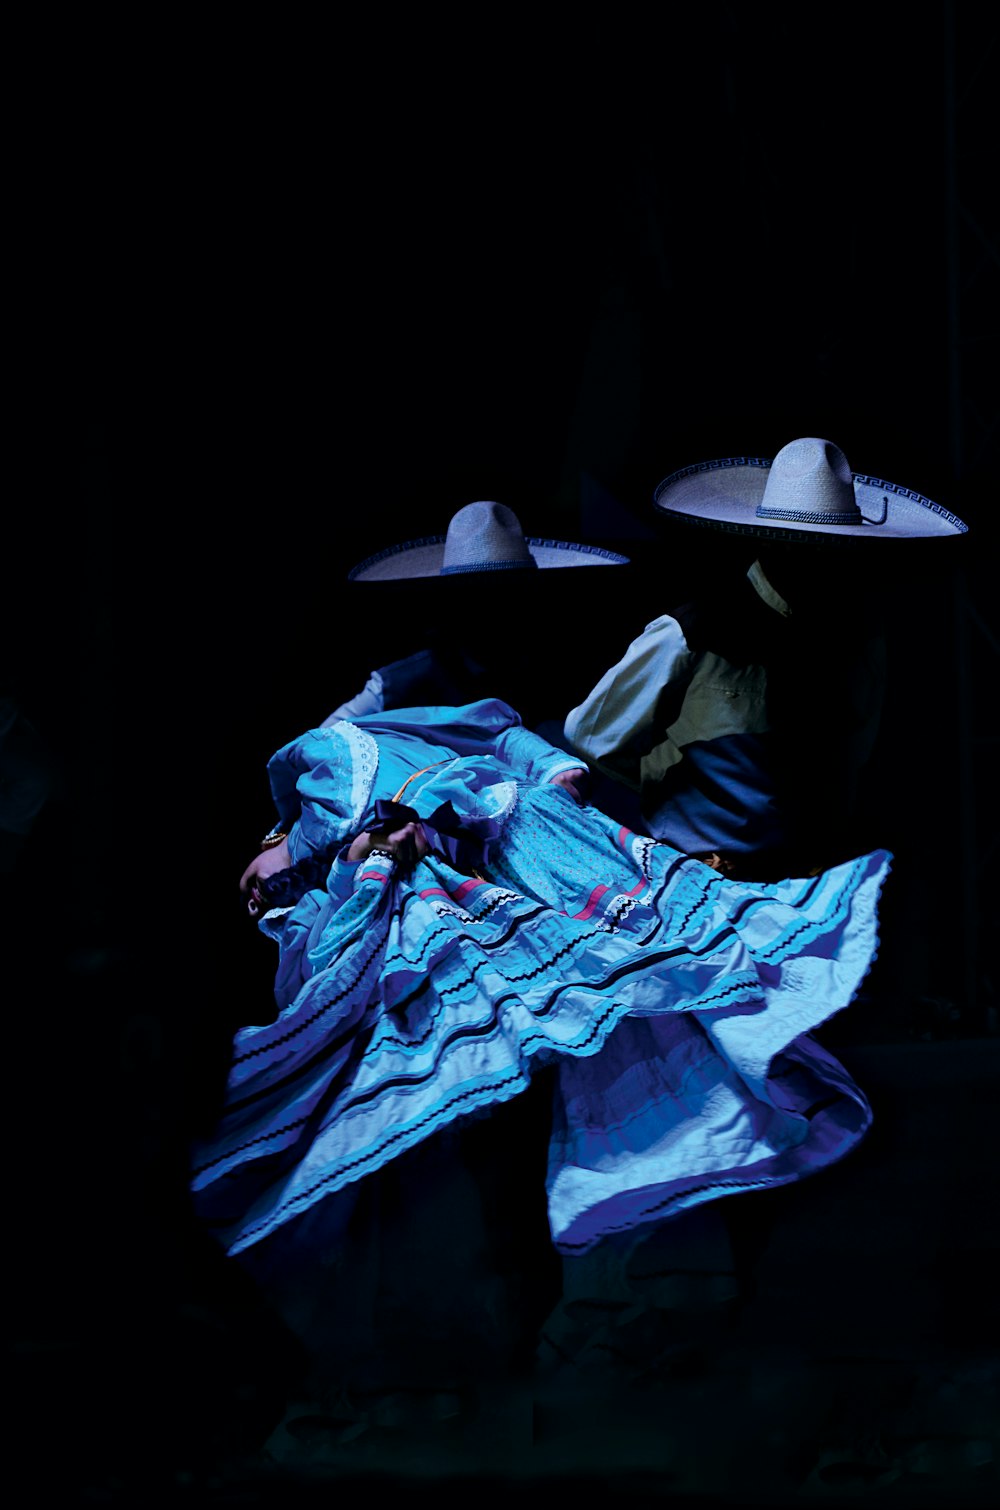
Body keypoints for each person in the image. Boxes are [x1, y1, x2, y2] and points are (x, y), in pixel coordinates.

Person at [191, 691, 891, 1407]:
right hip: (499, 893)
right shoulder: (322, 871)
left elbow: (453, 764)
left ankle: (602, 1320)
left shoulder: (328, 761)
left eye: (257, 873)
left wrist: (480, 797)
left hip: (520, 868)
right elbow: (497, 748)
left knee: (611, 1050)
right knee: (549, 1108)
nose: (256, 891)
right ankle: (571, 1326)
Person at [563, 436, 968, 880]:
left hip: (817, 874)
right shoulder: (693, 631)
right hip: (706, 877)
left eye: (835, 546)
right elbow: (592, 734)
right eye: (810, 544)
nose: (826, 560)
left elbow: (856, 750)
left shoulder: (858, 635)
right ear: (775, 543)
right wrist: (675, 792)